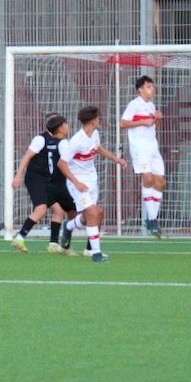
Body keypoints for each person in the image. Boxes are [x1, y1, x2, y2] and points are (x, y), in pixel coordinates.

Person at [58, 105, 127, 262]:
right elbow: (61, 163)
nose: (99, 120)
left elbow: (97, 148)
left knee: (92, 215)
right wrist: (76, 183)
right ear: (92, 121)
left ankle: (68, 227)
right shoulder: (77, 141)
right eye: (97, 118)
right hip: (77, 182)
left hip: (91, 180)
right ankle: (96, 253)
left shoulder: (95, 134)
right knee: (93, 213)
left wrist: (115, 159)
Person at [10, 113, 78, 253]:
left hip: (50, 180)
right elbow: (26, 157)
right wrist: (18, 176)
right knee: (41, 209)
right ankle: (19, 237)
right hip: (36, 179)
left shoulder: (61, 142)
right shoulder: (40, 139)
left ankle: (53, 244)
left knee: (59, 210)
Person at [120, 75, 165, 238]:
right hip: (139, 147)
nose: (152, 89)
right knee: (148, 178)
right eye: (148, 86)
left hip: (153, 146)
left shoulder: (151, 106)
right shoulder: (134, 104)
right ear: (140, 89)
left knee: (160, 181)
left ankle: (152, 219)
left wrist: (158, 119)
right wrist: (142, 122)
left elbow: (153, 126)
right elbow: (123, 123)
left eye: (152, 86)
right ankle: (152, 220)